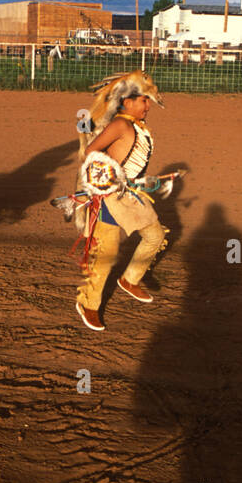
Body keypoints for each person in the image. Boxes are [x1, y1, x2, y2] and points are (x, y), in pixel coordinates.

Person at [70, 72, 171, 332]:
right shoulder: (121, 125)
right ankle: (88, 304)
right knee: (106, 254)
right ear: (126, 102)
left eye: (149, 101)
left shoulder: (137, 126)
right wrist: (104, 181)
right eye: (143, 101)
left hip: (131, 195)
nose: (148, 106)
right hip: (110, 198)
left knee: (155, 236)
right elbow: (91, 152)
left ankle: (129, 279)